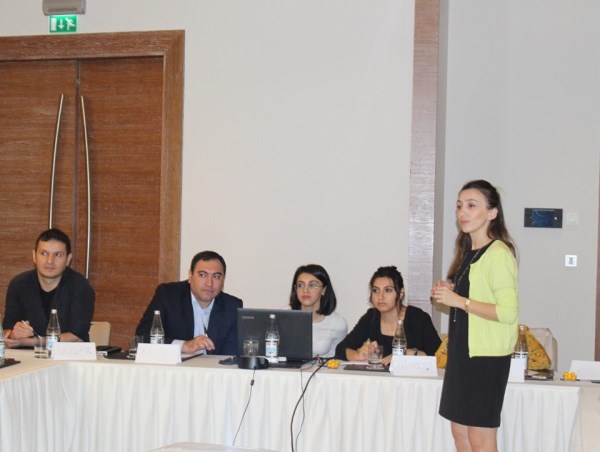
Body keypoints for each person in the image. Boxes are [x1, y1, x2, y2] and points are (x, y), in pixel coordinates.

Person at [431, 179, 518, 452]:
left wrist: (459, 300)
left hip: (486, 358)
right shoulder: (468, 252)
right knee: (460, 434)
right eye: (459, 206)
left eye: (471, 206)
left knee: (481, 439)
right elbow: (473, 298)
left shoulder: (499, 253)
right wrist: (450, 291)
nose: (463, 213)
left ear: (492, 213)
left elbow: (507, 312)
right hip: (462, 352)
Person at [135, 250, 242, 355]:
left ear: (223, 281)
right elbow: (142, 338)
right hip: (176, 365)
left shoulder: (232, 306)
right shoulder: (168, 296)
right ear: (190, 276)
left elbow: (231, 355)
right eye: (202, 275)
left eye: (216, 276)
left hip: (213, 367)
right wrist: (184, 346)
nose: (209, 283)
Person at [3, 228, 95, 346]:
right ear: (34, 256)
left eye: (58, 255)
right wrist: (13, 334)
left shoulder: (80, 286)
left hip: (68, 355)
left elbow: (77, 337)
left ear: (68, 259)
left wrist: (29, 342)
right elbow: (6, 331)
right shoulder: (19, 284)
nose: (50, 261)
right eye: (44, 253)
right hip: (27, 356)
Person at [335, 266, 441, 364]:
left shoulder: (418, 318)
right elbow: (341, 349)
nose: (380, 296)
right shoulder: (371, 317)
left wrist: (409, 353)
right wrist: (358, 355)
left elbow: (440, 357)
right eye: (375, 290)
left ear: (400, 293)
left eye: (388, 290)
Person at [289, 264, 347, 358]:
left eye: (313, 285)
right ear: (295, 289)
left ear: (324, 290)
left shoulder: (337, 324)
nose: (305, 290)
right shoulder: (283, 316)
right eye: (301, 285)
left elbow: (338, 359)